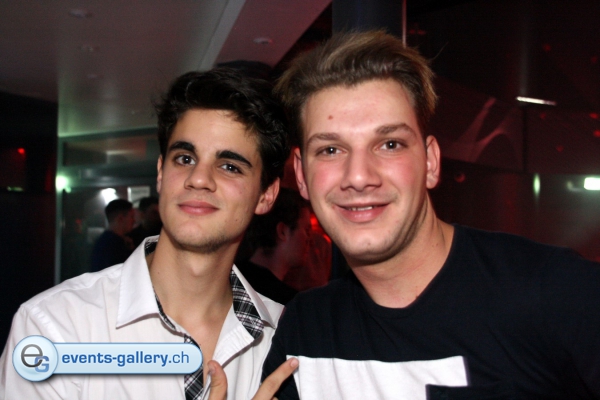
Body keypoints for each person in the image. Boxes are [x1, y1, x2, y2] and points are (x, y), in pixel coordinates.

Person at [262, 30, 600, 399]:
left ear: (431, 163)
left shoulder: (556, 293)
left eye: (390, 144)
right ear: (301, 175)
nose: (358, 176)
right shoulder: (304, 330)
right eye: (330, 150)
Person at [0, 68, 296, 399]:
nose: (198, 178)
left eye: (230, 166)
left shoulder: (288, 337)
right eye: (185, 158)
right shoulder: (57, 327)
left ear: (266, 194)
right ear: (160, 173)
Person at [236, 188, 310, 304]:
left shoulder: (230, 278)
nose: (308, 239)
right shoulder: (287, 303)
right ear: (282, 231)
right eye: (306, 230)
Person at [90, 198, 135, 272]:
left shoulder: (103, 242)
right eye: (131, 217)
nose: (134, 220)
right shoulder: (114, 245)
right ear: (120, 218)